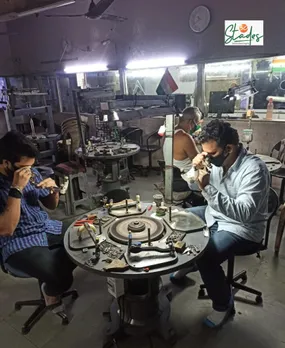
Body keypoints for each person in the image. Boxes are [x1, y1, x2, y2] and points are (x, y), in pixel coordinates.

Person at [170, 120, 270, 328]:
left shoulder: (254, 169)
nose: (208, 158)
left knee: (207, 255)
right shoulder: (214, 160)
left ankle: (223, 305)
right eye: (205, 153)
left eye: (211, 154)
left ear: (229, 148)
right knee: (178, 220)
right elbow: (193, 184)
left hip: (243, 228)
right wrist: (195, 168)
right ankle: (190, 264)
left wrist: (207, 188)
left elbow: (244, 213)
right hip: (214, 214)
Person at [0, 131, 76, 312]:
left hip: (44, 227)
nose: (29, 172)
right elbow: (7, 229)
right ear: (5, 163)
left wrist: (54, 190)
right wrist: (16, 187)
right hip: (16, 241)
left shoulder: (31, 172)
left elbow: (51, 205)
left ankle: (53, 276)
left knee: (85, 239)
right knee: (58, 275)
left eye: (31, 167)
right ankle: (50, 290)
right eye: (23, 168)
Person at [162, 106, 201, 173]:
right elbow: (200, 163)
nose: (196, 126)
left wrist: (194, 142)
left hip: (174, 173)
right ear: (191, 121)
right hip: (188, 177)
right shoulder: (185, 137)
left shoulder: (168, 132)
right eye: (196, 123)